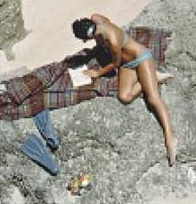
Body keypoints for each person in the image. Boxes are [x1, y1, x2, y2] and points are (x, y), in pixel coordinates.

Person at [71, 13, 178, 166]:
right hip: (127, 64)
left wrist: (97, 73)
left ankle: (170, 138)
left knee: (153, 99)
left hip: (141, 58)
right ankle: (151, 78)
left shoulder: (113, 40)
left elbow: (114, 64)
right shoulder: (95, 18)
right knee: (124, 97)